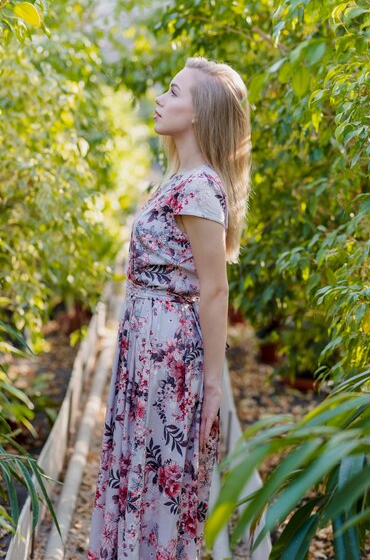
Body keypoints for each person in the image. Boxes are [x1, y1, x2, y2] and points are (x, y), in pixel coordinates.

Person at [87, 55, 252, 559]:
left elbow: (215, 290)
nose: (161, 99)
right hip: (147, 342)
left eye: (174, 92)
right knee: (141, 460)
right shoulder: (179, 179)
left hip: (167, 354)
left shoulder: (199, 187)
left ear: (199, 111)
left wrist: (210, 384)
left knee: (158, 467)